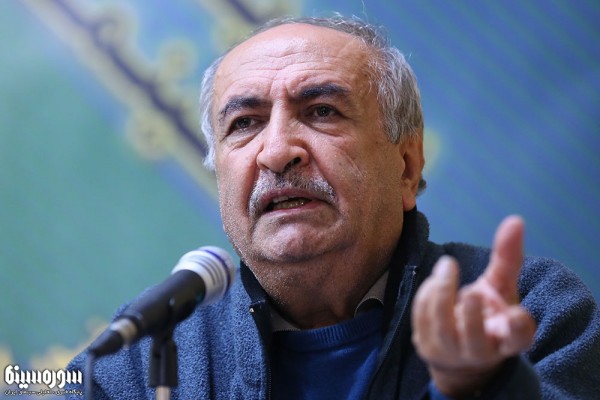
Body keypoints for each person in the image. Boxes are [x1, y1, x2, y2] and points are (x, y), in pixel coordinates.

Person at [67, 15, 600, 399]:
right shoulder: (144, 355)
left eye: (322, 111)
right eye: (245, 123)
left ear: (407, 166)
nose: (277, 151)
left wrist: (489, 387)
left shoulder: (527, 311)